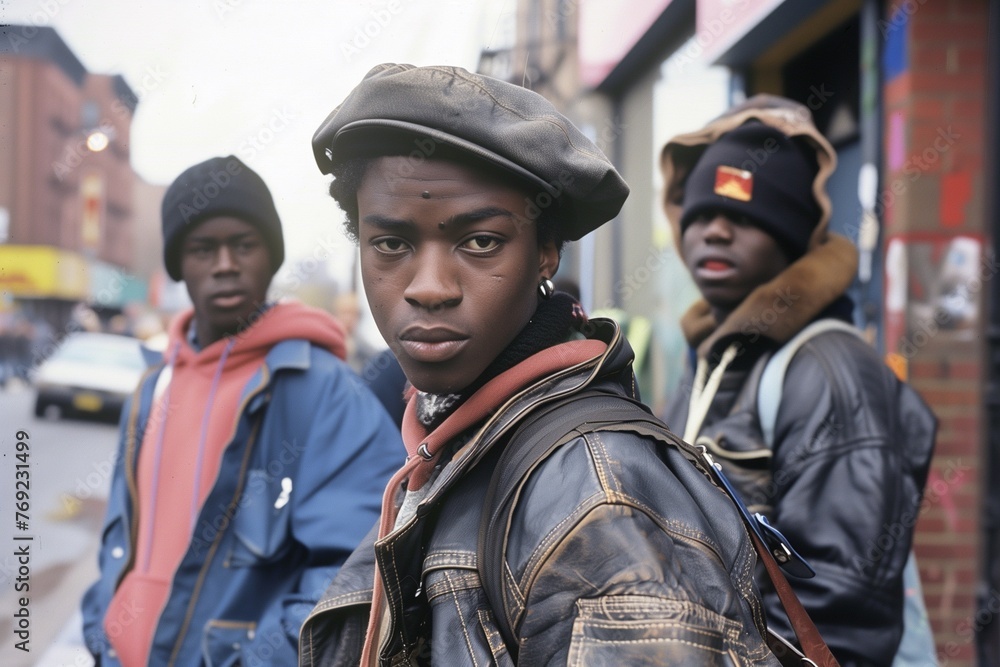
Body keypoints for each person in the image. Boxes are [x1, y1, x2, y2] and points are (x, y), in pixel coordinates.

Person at [299, 63, 785, 666]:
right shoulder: (454, 438)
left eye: (480, 242)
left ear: (546, 254)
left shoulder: (601, 499)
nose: (428, 288)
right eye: (391, 244)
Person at [81, 155, 404, 666]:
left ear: (271, 256)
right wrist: (101, 632)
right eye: (202, 248)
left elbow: (353, 570)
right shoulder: (152, 388)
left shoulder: (325, 392)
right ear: (178, 265)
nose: (225, 264)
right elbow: (120, 542)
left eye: (244, 244)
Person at [660, 95, 937, 665]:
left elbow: (838, 611)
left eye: (744, 217)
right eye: (701, 215)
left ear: (787, 236)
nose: (715, 232)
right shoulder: (711, 357)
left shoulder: (830, 368)